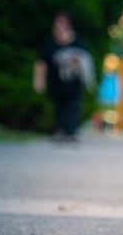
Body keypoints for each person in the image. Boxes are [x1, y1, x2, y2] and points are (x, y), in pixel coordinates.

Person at [33, 12, 94, 142]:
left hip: (73, 84)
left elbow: (85, 60)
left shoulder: (78, 41)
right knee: (58, 107)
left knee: (73, 107)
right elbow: (41, 63)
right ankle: (60, 131)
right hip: (56, 82)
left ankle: (71, 132)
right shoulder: (50, 43)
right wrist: (38, 80)